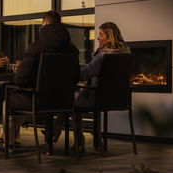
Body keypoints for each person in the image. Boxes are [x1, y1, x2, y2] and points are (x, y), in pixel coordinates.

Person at [0, 11, 80, 146]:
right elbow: (76, 77)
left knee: (8, 101)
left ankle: (7, 142)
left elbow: (20, 79)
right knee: (25, 100)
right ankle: (44, 143)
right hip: (63, 101)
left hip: (39, 100)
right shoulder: (72, 50)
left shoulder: (36, 48)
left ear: (45, 24)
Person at [50, 21, 131, 150]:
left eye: (101, 35)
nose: (98, 37)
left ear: (109, 37)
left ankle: (55, 134)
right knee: (74, 99)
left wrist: (68, 71)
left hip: (96, 98)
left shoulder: (103, 56)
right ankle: (88, 141)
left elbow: (83, 74)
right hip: (116, 98)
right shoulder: (126, 54)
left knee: (66, 99)